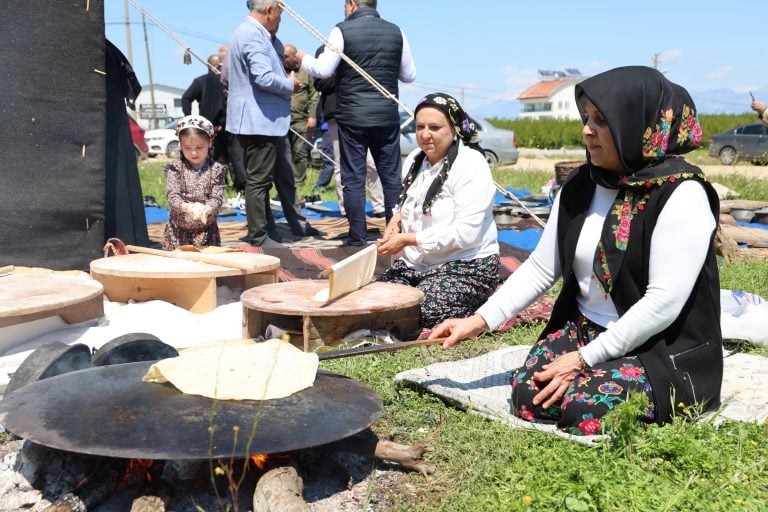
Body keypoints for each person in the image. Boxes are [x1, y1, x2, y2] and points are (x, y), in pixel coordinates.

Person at [430, 66, 723, 436]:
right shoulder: (583, 184)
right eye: (587, 118)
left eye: (602, 121)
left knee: (583, 408)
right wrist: (479, 320)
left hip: (659, 347)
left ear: (637, 124)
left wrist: (583, 360)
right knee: (529, 396)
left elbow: (663, 302)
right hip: (586, 329)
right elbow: (540, 268)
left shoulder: (681, 194)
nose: (587, 130)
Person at [298, 0, 416, 246]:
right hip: (386, 115)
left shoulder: (341, 30)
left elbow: (323, 69)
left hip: (352, 117)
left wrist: (303, 58)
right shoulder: (397, 31)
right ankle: (394, 235)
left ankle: (357, 237)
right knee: (391, 178)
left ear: (352, 4)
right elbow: (409, 75)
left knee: (353, 178)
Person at [376, 93, 500, 328]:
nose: (425, 134)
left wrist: (408, 239)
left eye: (435, 127)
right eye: (420, 126)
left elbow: (466, 233)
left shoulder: (471, 165)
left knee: (412, 313)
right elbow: (406, 202)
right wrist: (396, 219)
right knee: (374, 301)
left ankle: (472, 302)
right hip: (415, 265)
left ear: (454, 130)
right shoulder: (414, 159)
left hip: (464, 266)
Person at [226, 0, 300, 247]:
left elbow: (226, 76)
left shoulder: (244, 33)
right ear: (269, 11)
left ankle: (265, 230)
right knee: (258, 181)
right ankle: (259, 236)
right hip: (259, 120)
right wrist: (291, 85)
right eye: (280, 13)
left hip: (254, 118)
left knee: (260, 179)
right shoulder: (253, 36)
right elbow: (264, 77)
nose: (280, 19)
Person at [312, 44, 385, 217]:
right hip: (336, 113)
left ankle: (379, 207)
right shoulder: (323, 51)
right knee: (340, 163)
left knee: (372, 164)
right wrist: (343, 72)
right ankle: (347, 209)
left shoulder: (360, 50)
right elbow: (320, 83)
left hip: (362, 113)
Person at [162, 115, 226, 250]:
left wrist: (208, 208)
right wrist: (186, 207)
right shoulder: (176, 168)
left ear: (209, 143)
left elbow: (217, 197)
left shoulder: (216, 170)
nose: (194, 152)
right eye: (187, 148)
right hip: (178, 233)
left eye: (199, 147)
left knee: (205, 266)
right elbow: (172, 194)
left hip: (206, 232)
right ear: (180, 145)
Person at [284, 43, 318, 186]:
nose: (284, 59)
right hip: (281, 119)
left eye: (286, 56)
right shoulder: (278, 70)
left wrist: (312, 115)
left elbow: (314, 94)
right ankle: (285, 181)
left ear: (294, 56)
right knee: (284, 153)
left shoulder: (305, 71)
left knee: (299, 152)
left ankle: (299, 182)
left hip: (300, 119)